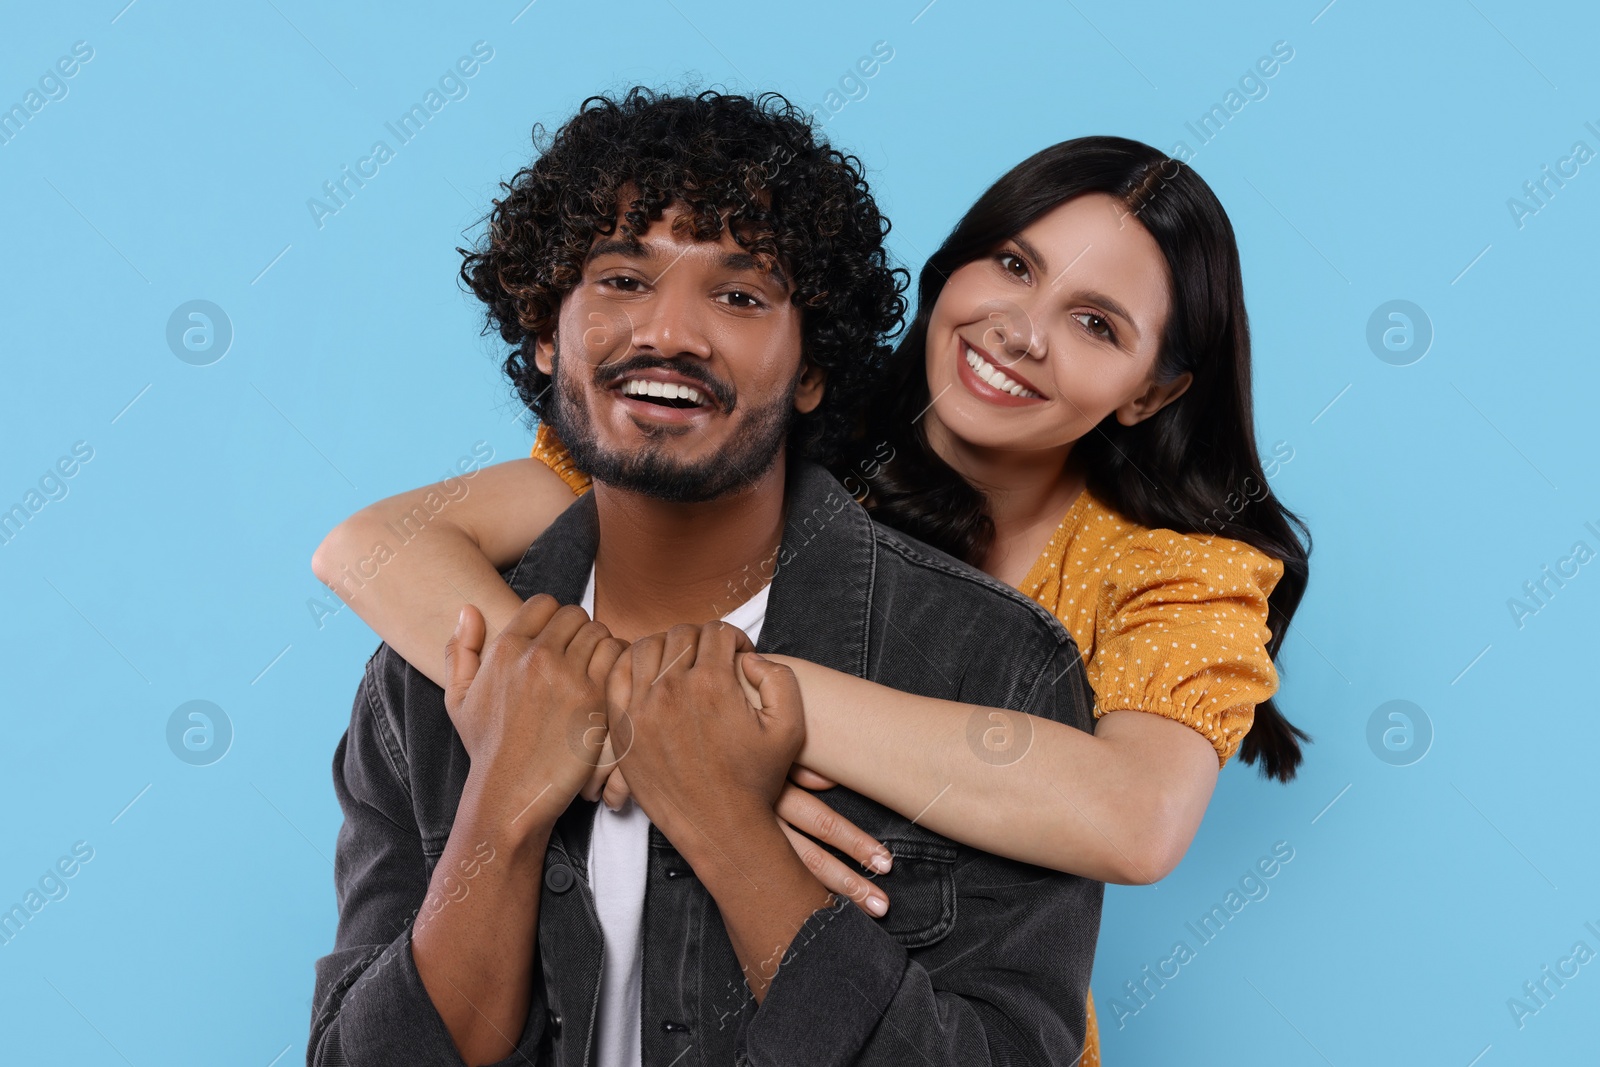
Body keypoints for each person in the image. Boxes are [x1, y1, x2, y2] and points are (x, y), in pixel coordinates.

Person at [312, 118, 1313, 1065]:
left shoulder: (1173, 575)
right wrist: (617, 712)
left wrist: (744, 715)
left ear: (1152, 388)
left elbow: (1131, 817)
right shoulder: (749, 433)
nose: (1021, 331)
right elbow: (368, 547)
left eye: (1095, 322)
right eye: (1011, 265)